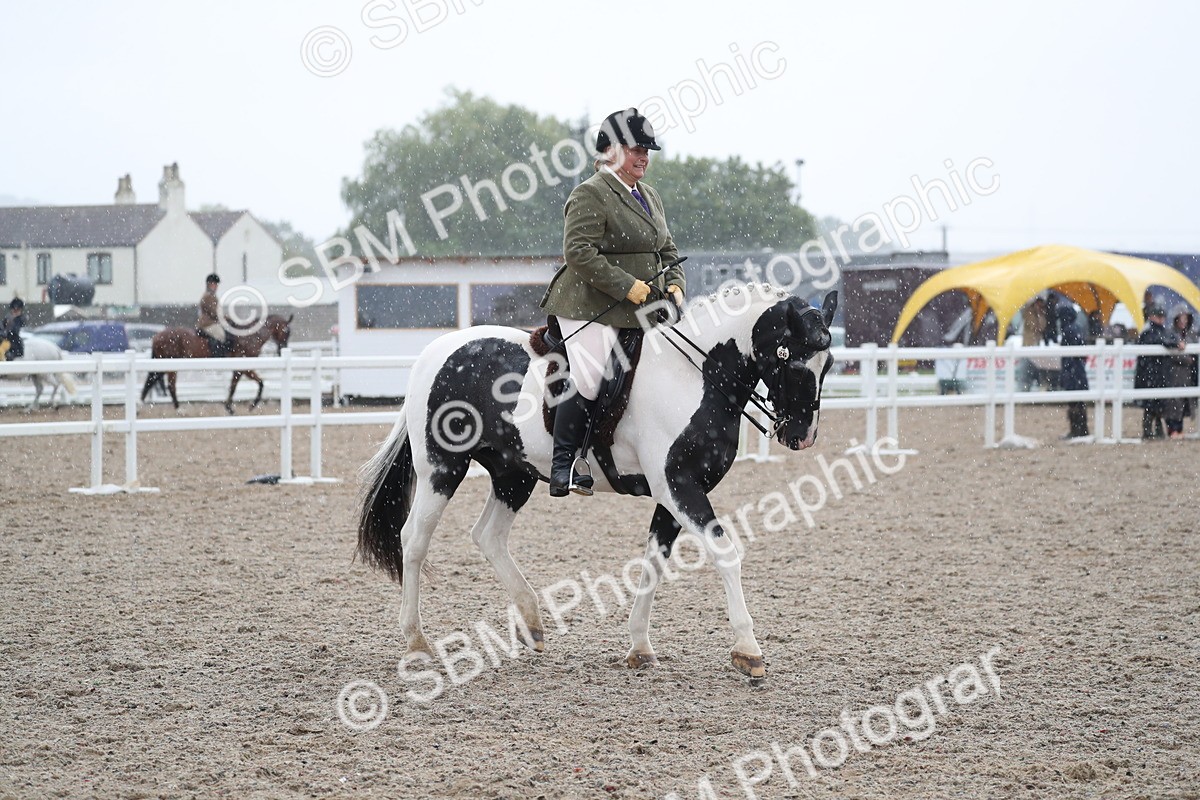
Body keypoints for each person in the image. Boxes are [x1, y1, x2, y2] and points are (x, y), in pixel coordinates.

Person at [539, 107, 685, 497]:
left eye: (647, 151)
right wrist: (629, 287)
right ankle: (565, 463)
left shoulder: (648, 195)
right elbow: (579, 253)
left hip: (640, 303)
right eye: (637, 149)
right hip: (587, 303)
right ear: (612, 151)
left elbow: (667, 250)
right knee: (589, 373)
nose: (644, 157)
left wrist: (675, 286)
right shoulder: (590, 193)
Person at [1134, 304, 1177, 440]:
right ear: (1152, 317)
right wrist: (1173, 344)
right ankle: (1149, 431)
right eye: (1159, 316)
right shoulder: (1149, 331)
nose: (1161, 319)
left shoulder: (1158, 330)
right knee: (1151, 404)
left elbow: (1166, 340)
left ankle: (1156, 431)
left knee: (1157, 404)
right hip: (1151, 373)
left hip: (1156, 373)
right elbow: (1159, 341)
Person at [1163, 304, 1198, 439]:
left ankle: (1179, 428)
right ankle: (1172, 429)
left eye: (1185, 318)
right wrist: (1187, 360)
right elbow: (1172, 352)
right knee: (1174, 401)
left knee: (1183, 401)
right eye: (1181, 318)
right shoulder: (1171, 333)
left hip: (1187, 374)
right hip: (1175, 373)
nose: (1183, 321)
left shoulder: (1190, 334)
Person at [1057, 305, 1089, 438]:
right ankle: (1082, 429)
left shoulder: (1069, 330)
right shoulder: (1077, 328)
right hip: (1078, 370)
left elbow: (1071, 353)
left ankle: (1076, 430)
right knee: (1079, 401)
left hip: (1072, 371)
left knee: (1074, 401)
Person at [1019, 295, 1047, 390]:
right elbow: (1033, 326)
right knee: (1026, 369)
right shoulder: (1029, 312)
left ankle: (1035, 388)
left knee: (1037, 369)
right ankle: (1024, 388)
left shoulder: (1041, 314)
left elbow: (1042, 327)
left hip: (1036, 345)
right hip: (1028, 344)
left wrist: (1039, 314)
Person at [197, 273, 228, 357]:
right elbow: (214, 313)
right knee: (221, 335)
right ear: (209, 284)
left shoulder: (212, 295)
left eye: (216, 284)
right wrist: (227, 318)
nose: (216, 286)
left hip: (212, 322)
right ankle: (217, 356)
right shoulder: (208, 296)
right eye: (214, 284)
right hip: (208, 324)